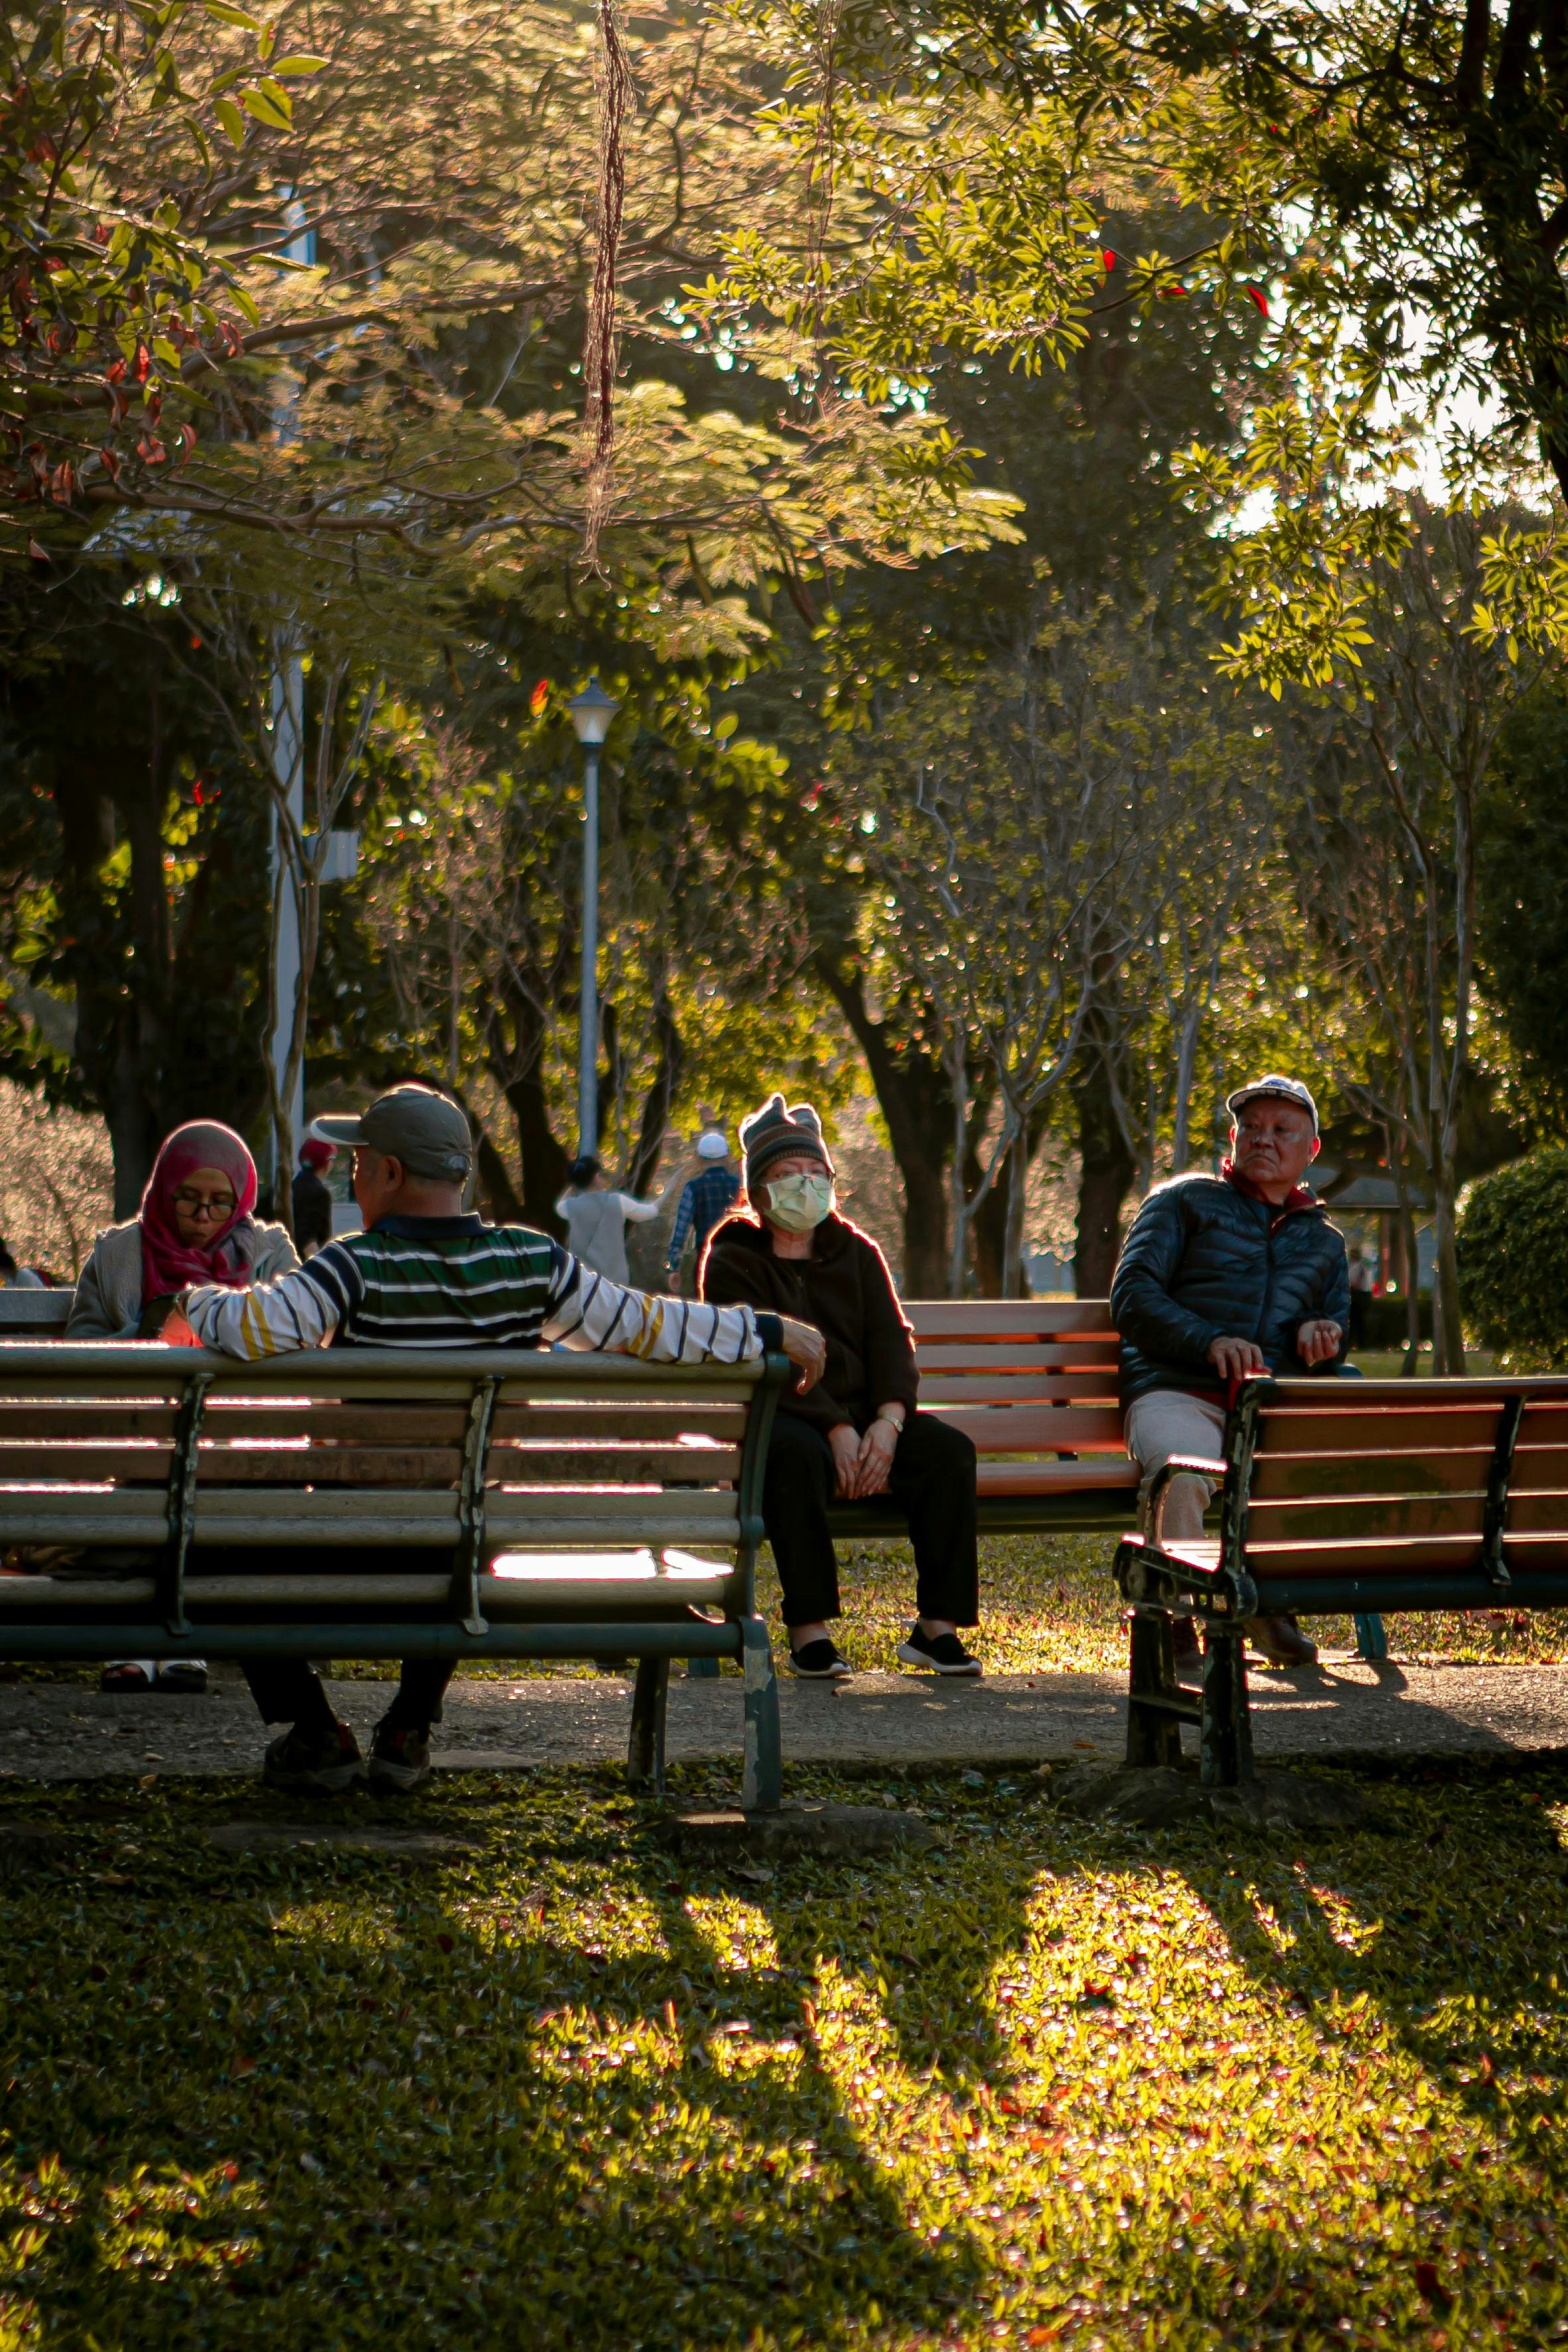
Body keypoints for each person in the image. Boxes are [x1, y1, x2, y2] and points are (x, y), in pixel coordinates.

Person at [164, 1084, 826, 1795]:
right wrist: (763, 1328)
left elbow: (253, 1327)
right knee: (466, 1504)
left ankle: (316, 1730)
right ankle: (407, 1723)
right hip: (470, 1552)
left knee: (216, 1541)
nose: (351, 1175)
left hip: (353, 1542)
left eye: (358, 1162)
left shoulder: (353, 1265)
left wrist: (188, 1299)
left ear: (388, 1172)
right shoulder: (531, 1263)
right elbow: (651, 1326)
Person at [701, 1092, 981, 1681]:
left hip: (867, 1420)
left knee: (947, 1451)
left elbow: (890, 1339)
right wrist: (832, 1425)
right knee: (792, 1457)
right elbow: (757, 1351)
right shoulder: (731, 1257)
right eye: (786, 1175)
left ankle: (937, 1629)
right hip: (784, 1418)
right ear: (757, 1190)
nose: (805, 1185)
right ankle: (811, 1634)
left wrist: (888, 1421)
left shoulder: (855, 1249)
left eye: (815, 1173)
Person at [1110, 1074, 1350, 1670]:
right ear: (1232, 1137)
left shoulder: (1322, 1241)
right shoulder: (1183, 1201)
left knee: (1296, 1472)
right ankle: (1172, 1616)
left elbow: (1334, 1326)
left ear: (1310, 1150)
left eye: (1280, 1130)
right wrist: (1207, 1341)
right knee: (1182, 1475)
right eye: (1251, 1128)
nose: (1262, 1140)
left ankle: (1263, 1603)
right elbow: (1132, 1295)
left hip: (1265, 1403)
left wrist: (1314, 1337)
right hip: (1175, 1389)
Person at [68, 1120, 299, 1696]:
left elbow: (297, 1345)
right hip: (137, 1439)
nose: (202, 1216)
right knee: (154, 1488)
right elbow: (78, 1355)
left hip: (234, 1443)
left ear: (242, 1200)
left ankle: (171, 1642)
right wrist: (141, 1335)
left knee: (194, 1491)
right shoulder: (119, 1254)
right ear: (163, 1189)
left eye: (220, 1203)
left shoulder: (270, 1254)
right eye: (189, 1199)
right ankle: (154, 1642)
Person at [555, 1155, 674, 1282]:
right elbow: (651, 1211)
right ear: (596, 1177)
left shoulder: (569, 1207)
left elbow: (559, 1205)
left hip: (582, 1283)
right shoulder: (618, 1201)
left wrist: (571, 1187)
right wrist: (670, 1188)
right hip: (614, 1284)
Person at [667, 1128, 741, 1291]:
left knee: (710, 1312)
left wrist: (674, 1267)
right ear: (728, 1157)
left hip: (707, 1260)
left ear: (699, 1159)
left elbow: (681, 1230)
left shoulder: (693, 1188)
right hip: (740, 1259)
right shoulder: (740, 1186)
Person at [292, 1136, 337, 1257]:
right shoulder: (320, 1194)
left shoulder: (290, 1188)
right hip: (303, 1266)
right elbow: (308, 1239)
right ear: (326, 1163)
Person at [1347, 1246, 1375, 1351]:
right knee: (1362, 1321)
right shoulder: (1366, 1265)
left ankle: (1355, 1343)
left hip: (1358, 1295)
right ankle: (1362, 1344)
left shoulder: (1356, 1266)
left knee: (1355, 1321)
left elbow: (1353, 1281)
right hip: (1366, 1295)